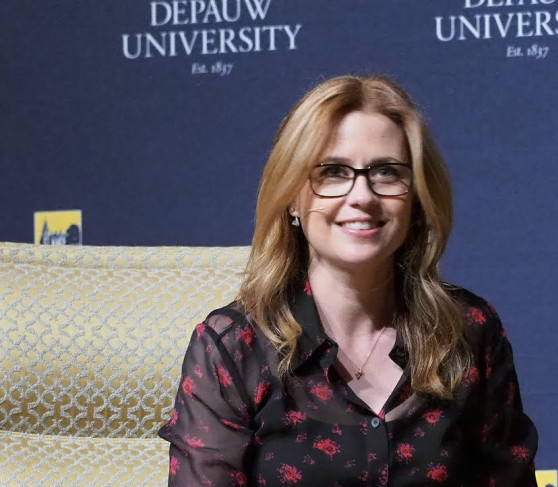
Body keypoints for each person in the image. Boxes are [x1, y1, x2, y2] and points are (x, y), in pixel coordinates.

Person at [159, 74, 538, 486]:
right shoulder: (235, 348)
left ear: (416, 198)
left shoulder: (469, 331)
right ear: (292, 198)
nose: (362, 196)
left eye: (387, 173)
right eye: (333, 172)